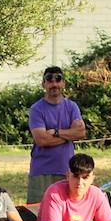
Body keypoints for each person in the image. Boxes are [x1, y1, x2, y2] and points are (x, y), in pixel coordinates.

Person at [27, 66, 86, 204]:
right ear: (43, 84)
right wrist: (69, 135)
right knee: (35, 215)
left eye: (58, 79)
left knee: (65, 214)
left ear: (63, 83)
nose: (54, 84)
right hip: (41, 171)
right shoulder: (36, 109)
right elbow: (41, 140)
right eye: (49, 80)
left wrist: (56, 132)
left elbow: (81, 132)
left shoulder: (72, 107)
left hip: (67, 170)